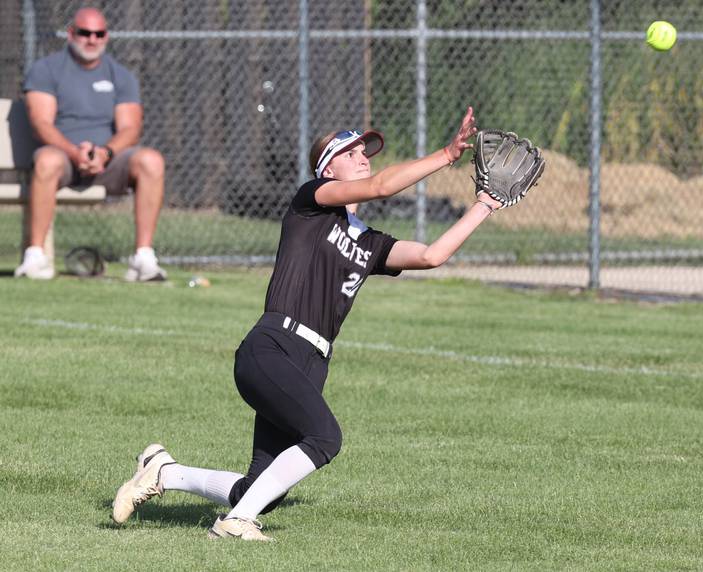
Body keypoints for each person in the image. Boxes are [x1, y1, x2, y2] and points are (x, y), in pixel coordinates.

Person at [111, 106, 505, 541]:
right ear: (327, 169)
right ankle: (235, 524)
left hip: (312, 363)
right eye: (350, 150)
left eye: (365, 150)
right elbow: (378, 186)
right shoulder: (311, 203)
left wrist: (485, 205)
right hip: (273, 347)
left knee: (260, 488)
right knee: (324, 437)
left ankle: (165, 472)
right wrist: (447, 155)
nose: (362, 156)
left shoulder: (371, 242)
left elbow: (432, 256)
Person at [14, 7, 167, 281]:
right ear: (71, 34)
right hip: (63, 160)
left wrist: (105, 153)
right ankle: (35, 258)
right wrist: (74, 152)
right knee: (47, 160)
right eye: (85, 33)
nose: (92, 39)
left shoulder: (120, 75)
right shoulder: (46, 70)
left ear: (106, 36)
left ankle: (143, 259)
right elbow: (41, 123)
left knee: (151, 160)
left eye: (99, 33)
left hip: (106, 162)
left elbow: (131, 128)